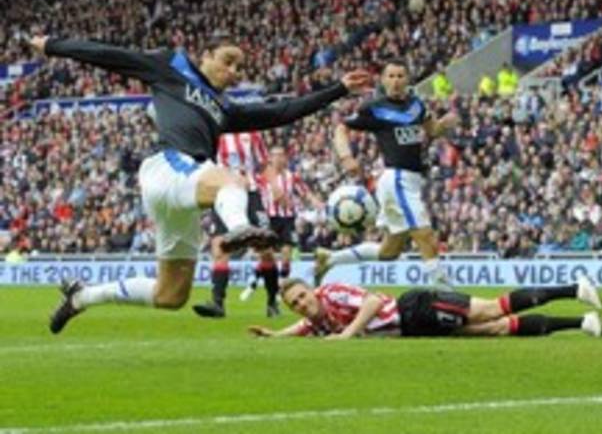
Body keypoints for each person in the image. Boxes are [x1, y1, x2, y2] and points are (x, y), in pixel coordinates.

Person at [31, 33, 371, 334]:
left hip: (184, 190)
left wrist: (338, 89)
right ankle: (240, 229)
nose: (233, 71)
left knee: (171, 295)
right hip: (167, 166)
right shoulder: (171, 66)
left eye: (239, 67)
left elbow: (283, 111)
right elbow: (111, 55)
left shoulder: (224, 108)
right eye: (227, 61)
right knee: (232, 180)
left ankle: (82, 297)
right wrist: (54, 45)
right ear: (205, 55)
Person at [313, 59, 458, 288]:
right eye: (391, 76)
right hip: (397, 178)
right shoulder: (375, 107)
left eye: (400, 76)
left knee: (389, 252)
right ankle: (445, 290)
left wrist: (444, 124)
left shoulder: (416, 105)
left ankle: (330, 259)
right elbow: (341, 128)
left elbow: (432, 130)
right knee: (425, 235)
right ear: (383, 80)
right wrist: (346, 157)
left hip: (413, 180)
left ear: (407, 79)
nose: (396, 81)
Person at [247, 275, 602, 339]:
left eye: (302, 296)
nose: (301, 304)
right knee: (495, 329)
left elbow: (372, 301)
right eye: (295, 304)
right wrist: (275, 336)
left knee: (491, 310)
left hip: (415, 309)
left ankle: (575, 288)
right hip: (415, 330)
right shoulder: (317, 321)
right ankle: (583, 323)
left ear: (312, 291)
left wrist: (349, 334)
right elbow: (304, 327)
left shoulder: (332, 293)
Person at [192, 130, 279, 319]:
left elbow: (264, 163)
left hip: (251, 194)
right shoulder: (213, 134)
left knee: (265, 250)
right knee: (219, 248)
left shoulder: (252, 133)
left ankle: (272, 301)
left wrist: (275, 186)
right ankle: (217, 303)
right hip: (223, 194)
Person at [237, 146, 324, 308]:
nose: (278, 159)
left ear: (285, 158)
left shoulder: (292, 177)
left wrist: (316, 202)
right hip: (268, 219)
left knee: (286, 255)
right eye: (274, 155)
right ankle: (253, 282)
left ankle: (278, 290)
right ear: (270, 158)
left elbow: (305, 192)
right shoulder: (262, 177)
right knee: (266, 255)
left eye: (281, 155)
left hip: (288, 219)